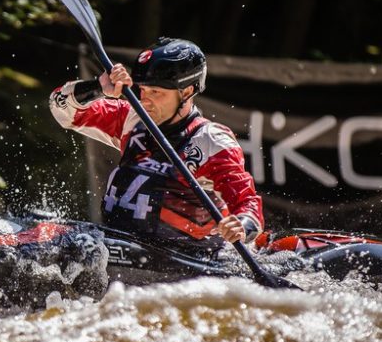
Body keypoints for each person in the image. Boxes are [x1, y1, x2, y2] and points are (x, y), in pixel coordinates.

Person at [49, 37, 262, 253]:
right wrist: (99, 87)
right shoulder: (131, 119)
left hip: (186, 258)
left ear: (186, 92)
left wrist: (241, 225)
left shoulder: (212, 141)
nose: (145, 100)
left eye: (156, 92)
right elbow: (62, 110)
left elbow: (248, 204)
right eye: (142, 90)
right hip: (120, 244)